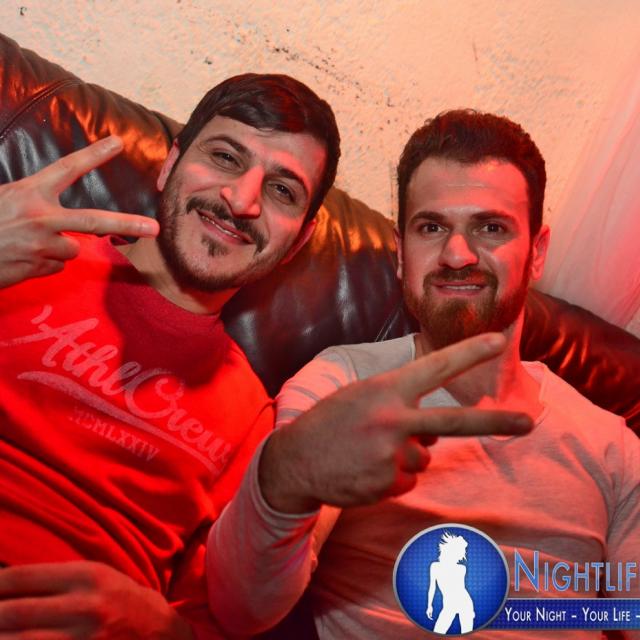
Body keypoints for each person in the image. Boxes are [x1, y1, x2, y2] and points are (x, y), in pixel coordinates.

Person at [207, 110, 640, 639]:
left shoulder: (614, 448)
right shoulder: (340, 385)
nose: (457, 255)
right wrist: (284, 480)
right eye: (432, 228)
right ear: (400, 253)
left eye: (491, 227)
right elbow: (242, 609)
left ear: (536, 253)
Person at [0, 73, 341, 639]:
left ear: (298, 242)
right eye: (226, 157)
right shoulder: (26, 250)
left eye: (282, 191)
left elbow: (214, 619)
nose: (242, 201)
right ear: (169, 165)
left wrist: (158, 626)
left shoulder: (254, 421)